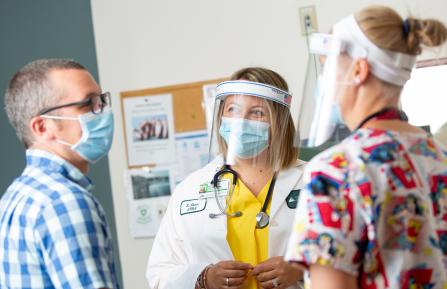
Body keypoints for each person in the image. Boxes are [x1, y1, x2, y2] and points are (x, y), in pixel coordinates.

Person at [284, 5, 447, 289]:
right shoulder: (438, 157)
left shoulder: (336, 169)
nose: (326, 80)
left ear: (359, 70)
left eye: (329, 67)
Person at [147, 67, 306, 289]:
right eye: (233, 109)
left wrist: (303, 269)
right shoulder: (190, 189)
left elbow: (357, 254)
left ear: (278, 120)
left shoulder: (315, 181)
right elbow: (159, 274)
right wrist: (204, 278)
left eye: (257, 112)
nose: (241, 121)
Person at [0, 59, 119, 288]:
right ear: (42, 127)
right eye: (88, 104)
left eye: (101, 100)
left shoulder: (13, 199)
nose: (102, 111)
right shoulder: (65, 202)